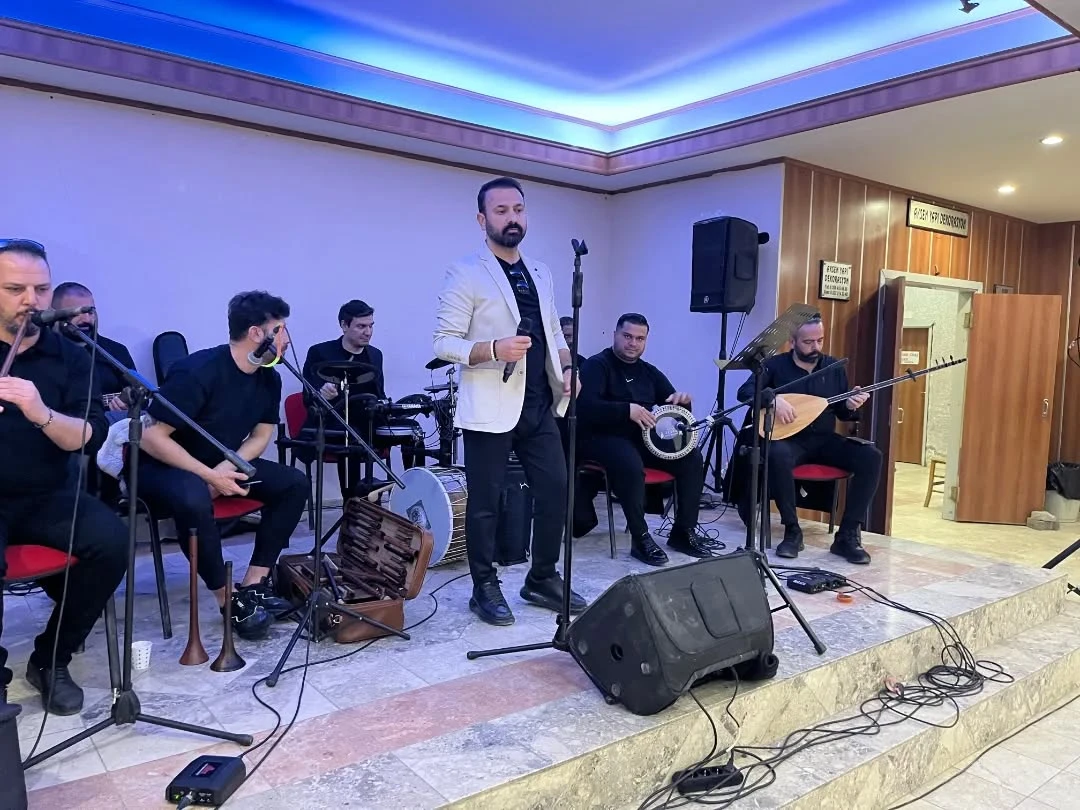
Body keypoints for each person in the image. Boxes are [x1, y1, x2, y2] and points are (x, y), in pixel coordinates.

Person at [433, 176, 586, 626]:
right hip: (489, 404)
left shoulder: (541, 271)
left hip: (538, 403)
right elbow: (444, 342)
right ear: (482, 220)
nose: (512, 218)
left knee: (556, 490)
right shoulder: (465, 271)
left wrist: (569, 367)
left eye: (518, 209)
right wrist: (493, 349)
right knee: (485, 503)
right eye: (501, 211)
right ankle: (484, 585)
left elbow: (553, 331)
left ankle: (541, 577)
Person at [0, 239, 127, 715]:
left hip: (48, 493)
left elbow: (88, 438)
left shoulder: (73, 357)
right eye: (15, 289)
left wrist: (40, 412)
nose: (31, 301)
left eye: (40, 289)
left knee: (112, 543)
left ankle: (51, 658)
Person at [139, 291, 309, 641]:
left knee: (293, 483)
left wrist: (228, 467)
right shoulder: (197, 371)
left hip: (220, 463)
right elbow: (151, 436)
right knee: (193, 498)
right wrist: (209, 476)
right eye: (281, 330)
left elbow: (262, 434)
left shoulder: (269, 378)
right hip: (162, 464)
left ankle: (254, 585)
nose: (288, 339)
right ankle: (227, 599)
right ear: (257, 334)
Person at [735, 315, 878, 564]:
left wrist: (850, 404)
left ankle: (846, 536)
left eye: (820, 340)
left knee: (871, 457)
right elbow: (745, 392)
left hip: (824, 440)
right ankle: (792, 531)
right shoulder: (774, 365)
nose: (816, 347)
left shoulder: (833, 367)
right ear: (792, 341)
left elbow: (842, 412)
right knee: (776, 453)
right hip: (790, 440)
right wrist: (773, 399)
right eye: (808, 342)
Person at [577, 313, 715, 566]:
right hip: (601, 437)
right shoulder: (596, 366)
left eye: (640, 339)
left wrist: (682, 403)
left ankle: (683, 531)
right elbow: (584, 407)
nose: (633, 343)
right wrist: (626, 410)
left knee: (691, 457)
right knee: (628, 462)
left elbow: (672, 410)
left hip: (641, 439)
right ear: (615, 335)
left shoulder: (649, 372)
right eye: (627, 336)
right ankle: (640, 538)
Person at [302, 299, 424, 497]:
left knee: (413, 430)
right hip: (334, 423)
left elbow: (379, 394)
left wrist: (389, 408)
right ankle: (353, 501)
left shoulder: (375, 355)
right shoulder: (320, 352)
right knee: (352, 435)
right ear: (344, 325)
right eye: (361, 326)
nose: (368, 332)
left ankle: (415, 491)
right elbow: (308, 397)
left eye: (371, 326)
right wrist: (321, 393)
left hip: (370, 422)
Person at [50, 281, 138, 417]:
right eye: (77, 313)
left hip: (107, 425)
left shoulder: (115, 351)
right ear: (54, 315)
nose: (86, 319)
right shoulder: (40, 351)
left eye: (90, 312)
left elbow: (139, 395)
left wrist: (127, 405)